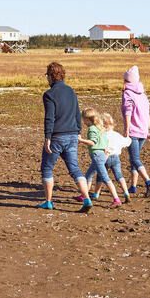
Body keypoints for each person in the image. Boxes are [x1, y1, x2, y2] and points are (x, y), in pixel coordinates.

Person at [39, 62, 93, 213]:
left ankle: (48, 201)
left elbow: (49, 117)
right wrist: (78, 132)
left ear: (50, 76)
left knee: (47, 168)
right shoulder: (71, 91)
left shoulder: (49, 94)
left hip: (57, 136)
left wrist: (47, 137)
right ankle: (87, 199)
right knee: (75, 169)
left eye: (47, 76)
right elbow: (77, 113)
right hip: (72, 136)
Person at [121, 65, 150, 196]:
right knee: (134, 158)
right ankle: (133, 186)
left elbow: (128, 112)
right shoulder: (143, 95)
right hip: (142, 131)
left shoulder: (127, 93)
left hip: (134, 131)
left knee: (135, 159)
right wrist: (149, 130)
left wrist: (127, 129)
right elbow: (147, 114)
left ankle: (148, 182)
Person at [78, 109, 122, 208]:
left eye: (84, 120)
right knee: (88, 175)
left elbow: (92, 142)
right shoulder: (100, 127)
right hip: (101, 155)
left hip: (97, 156)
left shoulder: (92, 129)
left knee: (105, 178)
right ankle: (84, 195)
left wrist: (81, 140)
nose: (83, 122)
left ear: (87, 119)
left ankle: (116, 199)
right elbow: (105, 141)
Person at [85, 112, 132, 204]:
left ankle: (96, 194)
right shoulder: (117, 135)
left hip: (105, 157)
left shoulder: (103, 134)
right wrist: (128, 136)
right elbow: (127, 142)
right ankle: (126, 193)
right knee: (119, 176)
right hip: (116, 158)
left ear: (104, 125)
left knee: (101, 175)